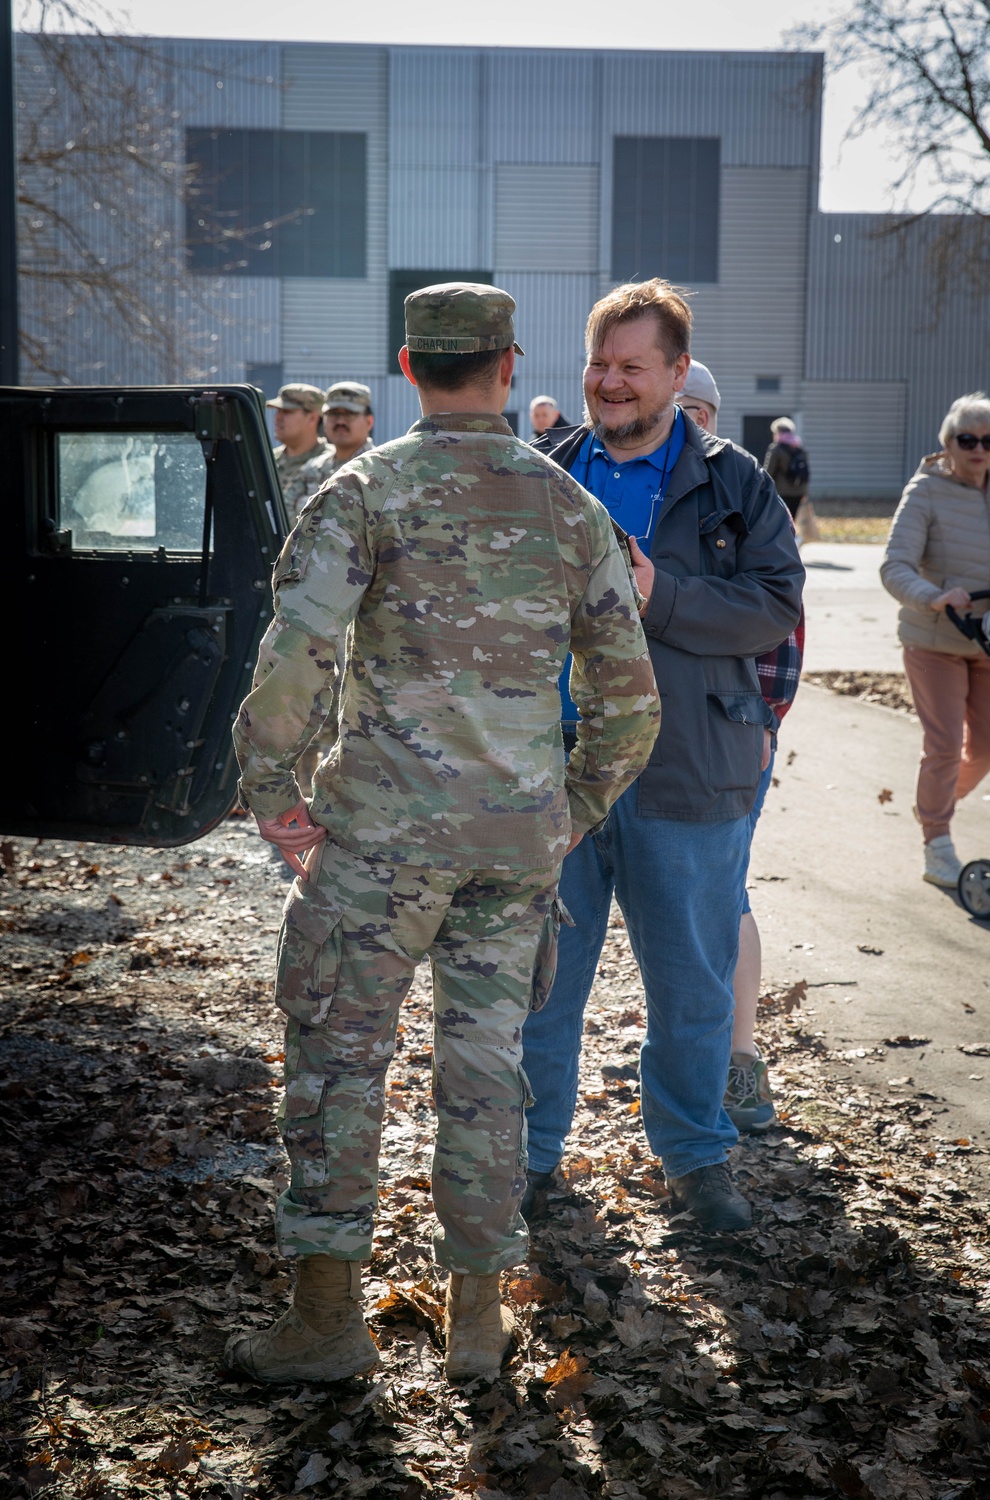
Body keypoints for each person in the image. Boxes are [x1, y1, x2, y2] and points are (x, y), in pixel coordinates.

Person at [228, 282, 659, 1386]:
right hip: (511, 846)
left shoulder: (363, 490)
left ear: (409, 370)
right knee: (483, 1069)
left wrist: (273, 787)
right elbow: (629, 701)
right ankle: (476, 1323)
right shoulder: (567, 506)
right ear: (509, 367)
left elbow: (297, 657)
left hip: (377, 839)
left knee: (337, 1063)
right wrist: (568, 809)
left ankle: (326, 1323)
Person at [519, 279, 805, 1231]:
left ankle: (695, 1158)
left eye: (632, 366)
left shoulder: (736, 483)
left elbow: (773, 604)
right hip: (556, 777)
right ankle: (528, 1159)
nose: (609, 382)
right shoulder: (546, 472)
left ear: (678, 373)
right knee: (543, 984)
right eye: (600, 363)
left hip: (688, 772)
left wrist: (661, 593)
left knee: (691, 984)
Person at [678, 361, 806, 1134]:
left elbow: (782, 628)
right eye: (675, 406)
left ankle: (738, 1059)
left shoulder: (744, 493)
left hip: (729, 732)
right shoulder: (614, 484)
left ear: (715, 414)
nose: (684, 419)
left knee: (726, 896)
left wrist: (761, 721)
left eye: (697, 407)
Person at [881, 392, 990, 888]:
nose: (979, 449)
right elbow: (894, 567)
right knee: (946, 744)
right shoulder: (925, 490)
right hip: (935, 637)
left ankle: (934, 804)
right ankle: (938, 845)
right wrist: (933, 597)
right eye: (967, 439)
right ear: (947, 442)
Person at [299, 382, 377, 502]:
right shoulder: (312, 468)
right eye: (333, 414)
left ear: (369, 422)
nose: (340, 421)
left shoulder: (380, 467)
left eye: (349, 414)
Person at [267, 384, 330, 513]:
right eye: (278, 411)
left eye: (287, 412)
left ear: (312, 418)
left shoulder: (331, 463)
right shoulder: (267, 460)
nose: (277, 418)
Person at [763, 418, 810, 523]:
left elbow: (769, 471)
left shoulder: (776, 449)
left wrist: (763, 488)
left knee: (780, 522)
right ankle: (791, 538)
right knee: (792, 521)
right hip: (799, 491)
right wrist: (805, 492)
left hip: (782, 492)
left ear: (778, 432)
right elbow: (805, 473)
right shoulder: (799, 449)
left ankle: (783, 539)